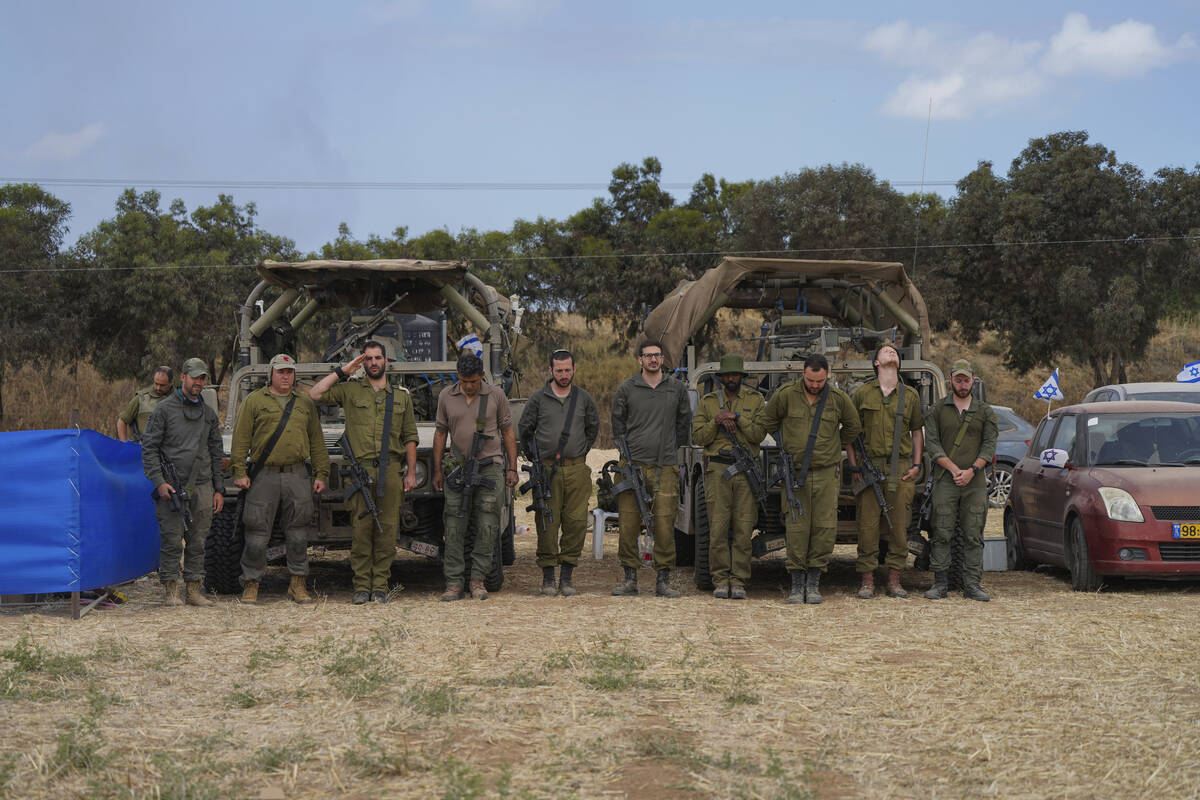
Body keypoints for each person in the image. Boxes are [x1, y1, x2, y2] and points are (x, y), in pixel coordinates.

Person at [309, 341, 418, 605]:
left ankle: (379, 586)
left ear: (386, 362)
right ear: (363, 363)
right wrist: (343, 371)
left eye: (377, 358)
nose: (373, 363)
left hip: (391, 470)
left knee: (387, 532)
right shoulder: (350, 390)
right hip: (358, 473)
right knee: (361, 532)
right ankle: (361, 587)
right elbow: (315, 394)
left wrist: (411, 472)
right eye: (368, 359)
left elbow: (410, 437)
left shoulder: (401, 397)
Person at [755, 354, 861, 604]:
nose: (814, 385)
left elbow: (853, 427)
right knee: (796, 527)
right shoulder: (786, 394)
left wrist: (834, 444)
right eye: (811, 380)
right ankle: (796, 582)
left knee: (824, 528)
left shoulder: (837, 399)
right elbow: (768, 421)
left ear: (828, 376)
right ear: (803, 373)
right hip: (794, 475)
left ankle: (814, 581)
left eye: (820, 380)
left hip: (825, 473)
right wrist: (784, 444)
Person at [229, 353, 330, 605]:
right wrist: (239, 472)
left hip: (297, 474)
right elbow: (240, 440)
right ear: (271, 374)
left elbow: (317, 441)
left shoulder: (304, 404)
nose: (285, 376)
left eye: (289, 372)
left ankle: (298, 585)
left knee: (298, 535)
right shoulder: (254, 401)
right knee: (256, 534)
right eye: (281, 371)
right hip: (264, 476)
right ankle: (251, 585)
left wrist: (321, 473)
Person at [432, 353, 518, 601]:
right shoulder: (446, 396)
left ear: (482, 376)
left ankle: (478, 579)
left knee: (488, 525)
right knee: (454, 525)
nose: (468, 386)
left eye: (472, 381)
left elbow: (508, 432)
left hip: (489, 466)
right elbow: (440, 434)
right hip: (457, 468)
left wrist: (512, 468)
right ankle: (454, 582)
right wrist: (438, 470)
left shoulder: (495, 396)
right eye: (463, 381)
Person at [610, 339, 692, 598]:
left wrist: (669, 448)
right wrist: (629, 453)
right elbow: (617, 425)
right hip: (631, 468)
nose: (653, 360)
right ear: (640, 360)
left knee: (666, 524)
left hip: (665, 466)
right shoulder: (627, 388)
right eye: (648, 356)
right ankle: (630, 578)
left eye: (657, 355)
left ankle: (663, 580)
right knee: (629, 523)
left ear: (663, 359)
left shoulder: (676, 388)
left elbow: (683, 423)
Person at [140, 358, 225, 607]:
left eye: (203, 379)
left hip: (202, 485)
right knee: (172, 539)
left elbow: (216, 451)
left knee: (198, 540)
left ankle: (194, 590)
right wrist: (159, 481)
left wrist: (218, 489)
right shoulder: (164, 410)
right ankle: (170, 590)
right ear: (183, 378)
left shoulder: (208, 414)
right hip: (171, 487)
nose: (198, 383)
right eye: (195, 377)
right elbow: (150, 448)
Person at [517, 349, 599, 597]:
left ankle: (567, 577)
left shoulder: (583, 398)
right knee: (547, 523)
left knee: (575, 523)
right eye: (559, 370)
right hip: (547, 471)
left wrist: (580, 451)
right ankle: (548, 578)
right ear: (550, 371)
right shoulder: (538, 399)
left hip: (576, 470)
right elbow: (525, 430)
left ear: (574, 370)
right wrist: (536, 459)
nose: (564, 375)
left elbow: (592, 428)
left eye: (567, 370)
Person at [851, 343, 924, 599]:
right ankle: (867, 580)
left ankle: (894, 579)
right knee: (867, 526)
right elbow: (850, 433)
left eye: (894, 351)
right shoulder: (862, 394)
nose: (890, 352)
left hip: (900, 468)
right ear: (876, 363)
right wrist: (854, 465)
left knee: (899, 527)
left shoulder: (910, 396)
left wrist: (916, 465)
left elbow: (917, 433)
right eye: (884, 351)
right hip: (869, 468)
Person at [922, 359, 999, 602]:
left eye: (966, 380)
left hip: (974, 482)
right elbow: (932, 444)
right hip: (946, 480)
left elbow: (989, 446)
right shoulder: (937, 410)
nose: (963, 384)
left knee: (973, 534)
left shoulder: (985, 411)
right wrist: (955, 469)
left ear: (973, 381)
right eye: (958, 379)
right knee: (941, 532)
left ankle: (972, 584)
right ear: (950, 380)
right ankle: (940, 584)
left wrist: (972, 471)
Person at [691, 354, 765, 599]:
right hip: (717, 471)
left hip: (745, 470)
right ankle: (721, 579)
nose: (731, 379)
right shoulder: (709, 402)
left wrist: (738, 418)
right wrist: (717, 420)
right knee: (718, 528)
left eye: (735, 375)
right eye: (727, 375)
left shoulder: (756, 400)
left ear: (741, 377)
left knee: (744, 529)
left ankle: (739, 580)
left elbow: (758, 434)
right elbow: (698, 437)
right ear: (721, 378)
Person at [117, 366, 173, 442]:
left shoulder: (179, 399)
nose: (158, 388)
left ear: (171, 382)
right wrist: (123, 445)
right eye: (156, 384)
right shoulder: (142, 397)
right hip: (146, 448)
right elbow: (122, 421)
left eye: (162, 385)